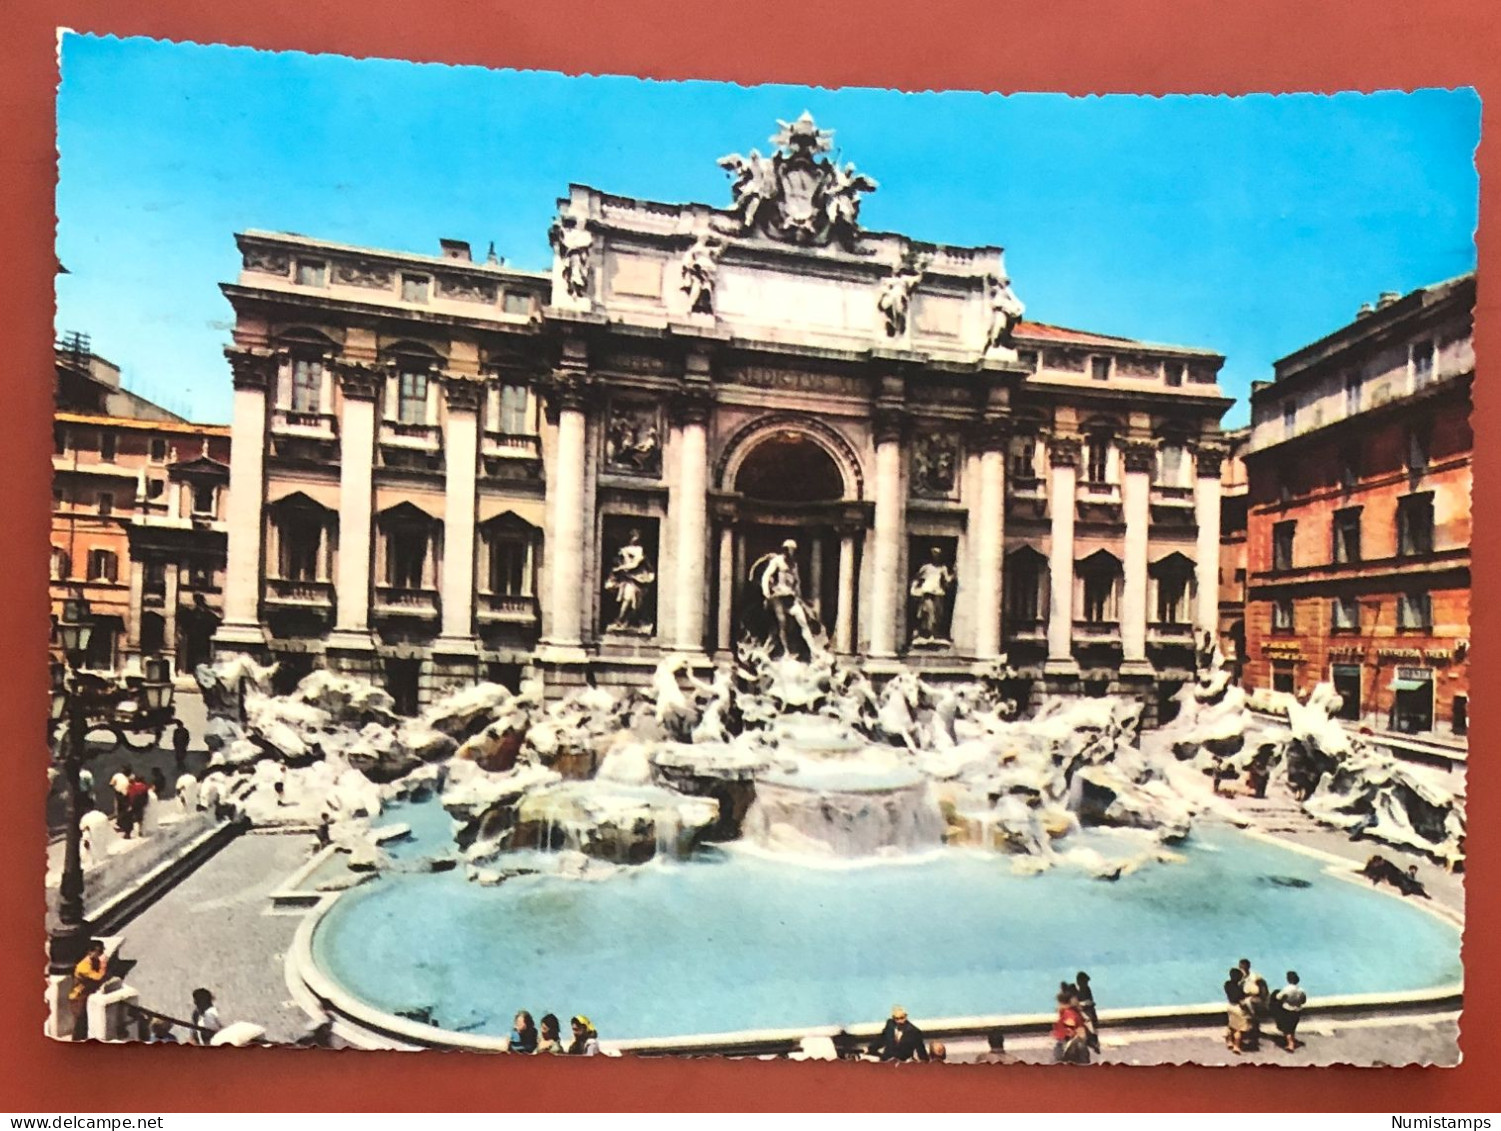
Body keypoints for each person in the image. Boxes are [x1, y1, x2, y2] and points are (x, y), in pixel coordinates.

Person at [68, 940, 110, 1040]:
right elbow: (98, 976)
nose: (101, 954)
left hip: (86, 994)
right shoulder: (83, 966)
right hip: (78, 997)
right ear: (90, 952)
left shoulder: (94, 961)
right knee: (79, 1022)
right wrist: (104, 964)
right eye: (99, 951)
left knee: (86, 1021)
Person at [1271, 971, 1307, 1053]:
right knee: (1292, 1027)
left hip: (1287, 1010)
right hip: (1297, 1011)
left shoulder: (1287, 989)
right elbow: (1303, 1001)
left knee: (1287, 1029)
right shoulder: (1301, 990)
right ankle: (1292, 1041)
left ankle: (1290, 1045)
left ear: (1288, 979)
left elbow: (1278, 997)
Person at [1051, 991, 1090, 1064]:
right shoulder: (1074, 1012)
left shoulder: (1068, 1013)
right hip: (1076, 1044)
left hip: (1067, 1044)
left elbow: (1071, 1025)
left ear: (1061, 1003)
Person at [1223, 968, 1252, 1055]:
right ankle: (1236, 1046)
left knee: (1231, 1025)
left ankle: (1229, 1042)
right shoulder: (1239, 989)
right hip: (1237, 1008)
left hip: (1230, 1006)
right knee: (1238, 1029)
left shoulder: (1227, 984)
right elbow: (1241, 999)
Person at [1075, 971, 1100, 1054]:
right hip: (1085, 1012)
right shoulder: (1079, 990)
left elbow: (1089, 1001)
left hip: (1089, 1011)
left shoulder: (1086, 989)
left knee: (1092, 1028)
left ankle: (1093, 1042)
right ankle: (1090, 1042)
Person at [110, 765, 133, 834]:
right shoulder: (130, 777)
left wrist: (115, 787)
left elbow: (111, 784)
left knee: (120, 809)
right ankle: (123, 825)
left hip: (119, 793)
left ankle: (120, 824)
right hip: (126, 794)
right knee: (125, 810)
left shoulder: (117, 775)